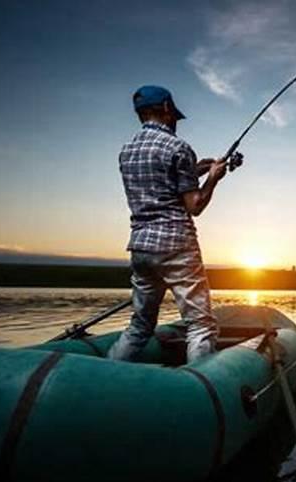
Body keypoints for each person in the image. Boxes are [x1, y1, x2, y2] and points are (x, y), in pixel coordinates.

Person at [108, 85, 238, 363]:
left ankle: (103, 375)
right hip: (176, 245)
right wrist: (213, 178)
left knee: (140, 326)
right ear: (166, 108)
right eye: (175, 116)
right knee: (200, 325)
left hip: (141, 247)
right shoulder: (178, 147)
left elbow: (158, 184)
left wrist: (194, 170)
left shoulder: (126, 152)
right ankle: (201, 391)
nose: (176, 121)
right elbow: (195, 206)